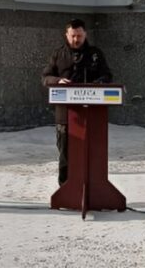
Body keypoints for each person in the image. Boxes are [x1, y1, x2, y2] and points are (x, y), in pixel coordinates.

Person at [41, 18, 112, 185]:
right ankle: (65, 189)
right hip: (65, 115)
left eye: (79, 35)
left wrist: (99, 83)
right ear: (66, 35)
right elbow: (46, 77)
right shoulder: (58, 54)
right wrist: (58, 81)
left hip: (91, 113)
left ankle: (92, 187)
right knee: (66, 155)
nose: (76, 39)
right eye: (73, 36)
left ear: (85, 34)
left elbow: (107, 75)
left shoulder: (95, 54)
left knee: (92, 153)